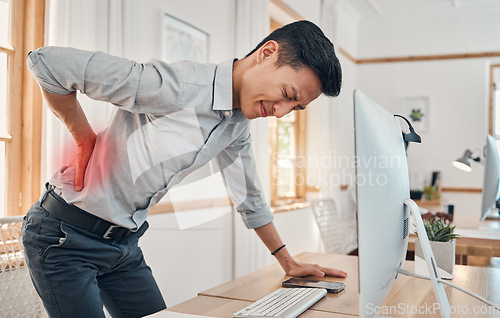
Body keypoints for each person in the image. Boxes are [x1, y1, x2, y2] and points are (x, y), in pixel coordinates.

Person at [22, 20, 346, 318]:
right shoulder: (178, 87)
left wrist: (288, 262)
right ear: (267, 53)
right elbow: (48, 63)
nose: (281, 112)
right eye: (287, 95)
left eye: (296, 107)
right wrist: (83, 139)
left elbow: (250, 197)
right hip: (64, 238)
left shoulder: (237, 126)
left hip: (122, 246)